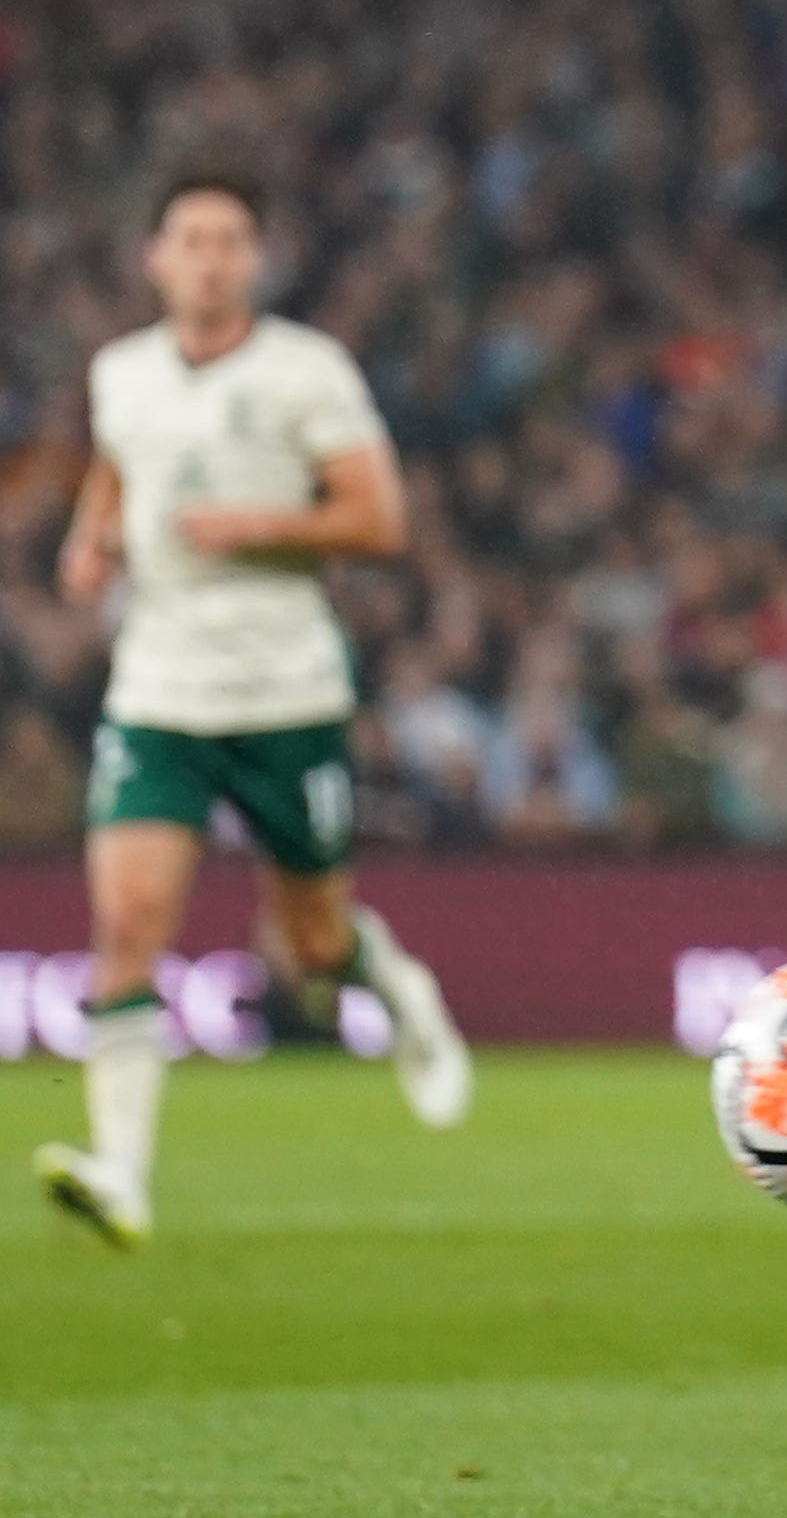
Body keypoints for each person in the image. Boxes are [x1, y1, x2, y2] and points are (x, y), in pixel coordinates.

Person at [36, 174, 471, 1248]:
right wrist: (92, 538)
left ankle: (398, 986)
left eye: (231, 240)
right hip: (159, 691)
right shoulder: (121, 373)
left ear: (256, 259)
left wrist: (257, 527)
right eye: (192, 239)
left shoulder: (305, 372)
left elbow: (378, 521)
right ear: (157, 258)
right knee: (129, 926)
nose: (212, 259)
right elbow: (117, 471)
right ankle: (123, 1174)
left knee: (314, 940)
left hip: (286, 691)